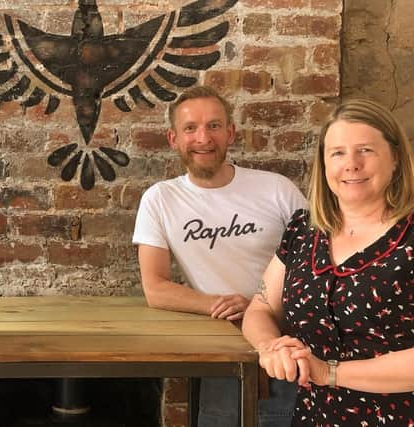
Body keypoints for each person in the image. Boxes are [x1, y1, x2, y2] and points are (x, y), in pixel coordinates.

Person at [132, 85, 306, 427]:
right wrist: (224, 305)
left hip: (291, 339)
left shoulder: (277, 189)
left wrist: (259, 307)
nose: (203, 138)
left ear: (230, 133)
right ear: (173, 139)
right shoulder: (160, 199)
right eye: (190, 128)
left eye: (213, 126)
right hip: (223, 349)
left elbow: (317, 265)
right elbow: (155, 288)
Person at [242, 98, 414, 426]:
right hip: (314, 417)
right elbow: (260, 308)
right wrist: (270, 346)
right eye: (337, 153)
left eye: (365, 150)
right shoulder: (304, 230)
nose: (351, 164)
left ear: (394, 157)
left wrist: (328, 372)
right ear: (323, 163)